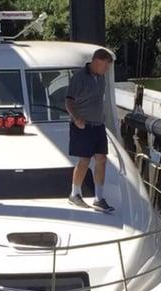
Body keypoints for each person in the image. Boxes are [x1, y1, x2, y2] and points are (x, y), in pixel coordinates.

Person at [65, 48, 114, 212]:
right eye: (105, 66)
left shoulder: (101, 78)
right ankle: (75, 194)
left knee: (101, 159)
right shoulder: (78, 78)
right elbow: (68, 101)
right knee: (84, 160)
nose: (106, 69)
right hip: (83, 124)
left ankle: (99, 198)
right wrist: (76, 118)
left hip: (98, 125)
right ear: (96, 62)